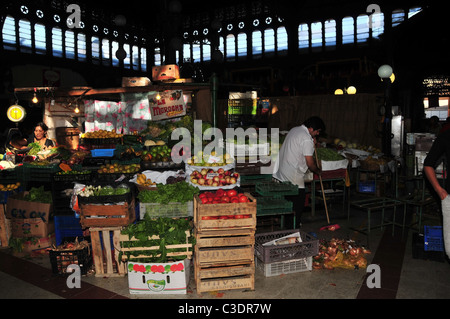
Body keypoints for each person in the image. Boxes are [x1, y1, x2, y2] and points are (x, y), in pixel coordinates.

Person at [273, 116, 326, 227]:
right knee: (298, 204)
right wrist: (318, 170)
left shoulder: (295, 129)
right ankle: (293, 229)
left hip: (282, 171)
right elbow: (310, 163)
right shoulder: (306, 139)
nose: (317, 134)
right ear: (311, 129)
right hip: (293, 175)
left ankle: (286, 227)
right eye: (317, 131)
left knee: (288, 203)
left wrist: (312, 143)